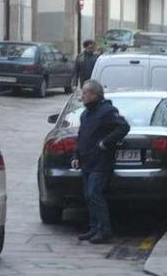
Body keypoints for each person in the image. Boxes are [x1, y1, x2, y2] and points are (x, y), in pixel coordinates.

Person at [71, 80, 130, 244]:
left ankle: (104, 230)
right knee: (88, 197)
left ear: (94, 95)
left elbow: (123, 127)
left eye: (84, 93)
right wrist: (75, 156)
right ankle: (94, 228)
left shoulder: (107, 111)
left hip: (100, 162)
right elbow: (81, 136)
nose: (82, 97)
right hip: (86, 161)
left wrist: (105, 142)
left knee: (94, 194)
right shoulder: (85, 114)